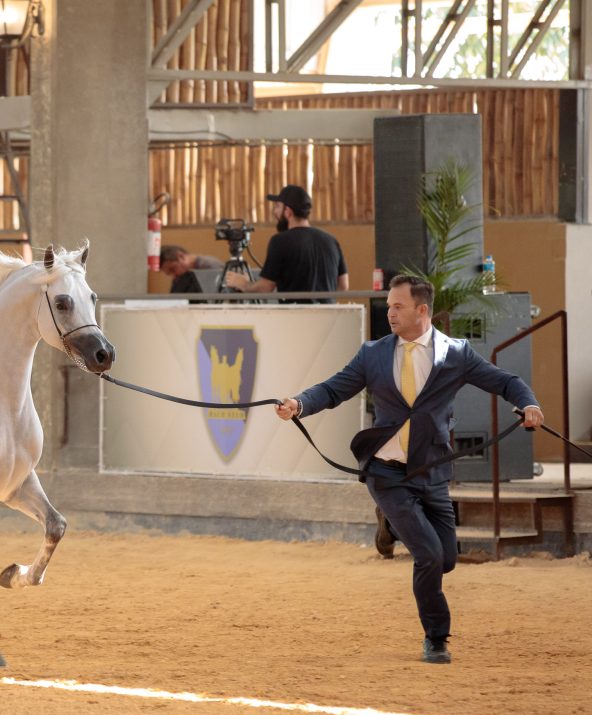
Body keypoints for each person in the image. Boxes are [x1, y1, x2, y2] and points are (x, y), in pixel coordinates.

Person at [274, 275, 543, 664]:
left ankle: (390, 524)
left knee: (447, 558)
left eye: (397, 306)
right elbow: (333, 389)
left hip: (431, 472)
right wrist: (299, 404)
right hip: (386, 472)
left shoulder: (456, 354)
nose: (389, 312)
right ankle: (437, 637)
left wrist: (528, 404)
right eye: (388, 305)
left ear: (422, 310)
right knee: (430, 556)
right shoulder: (373, 354)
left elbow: (506, 382)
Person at [224, 185, 349, 302]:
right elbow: (343, 285)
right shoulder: (331, 241)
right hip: (329, 318)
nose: (275, 212)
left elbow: (265, 288)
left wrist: (245, 284)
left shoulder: (280, 241)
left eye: (278, 206)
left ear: (288, 212)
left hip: (294, 320)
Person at [160, 244, 224, 293]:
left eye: (173, 269)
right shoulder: (181, 276)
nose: (174, 276)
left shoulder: (211, 266)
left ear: (181, 256)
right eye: (169, 273)